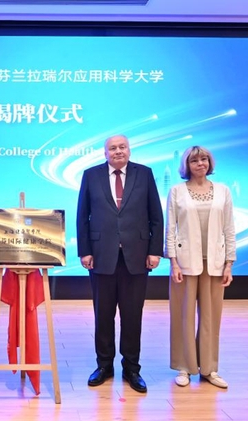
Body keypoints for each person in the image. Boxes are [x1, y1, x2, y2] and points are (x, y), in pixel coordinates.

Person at [77, 135, 164, 393]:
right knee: (103, 315)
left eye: (122, 147)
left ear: (129, 150)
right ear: (105, 153)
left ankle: (132, 368)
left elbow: (156, 216)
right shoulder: (91, 175)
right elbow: (83, 216)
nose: (118, 151)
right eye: (112, 148)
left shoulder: (144, 174)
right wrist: (85, 251)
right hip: (101, 256)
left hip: (136, 256)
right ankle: (104, 365)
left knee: (132, 315)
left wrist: (154, 251)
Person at [165, 145, 235, 389]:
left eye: (204, 159)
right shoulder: (177, 191)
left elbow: (229, 228)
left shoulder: (223, 191)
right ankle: (184, 367)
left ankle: (209, 368)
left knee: (211, 318)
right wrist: (173, 262)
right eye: (194, 160)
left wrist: (229, 263)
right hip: (185, 263)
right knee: (182, 316)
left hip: (215, 263)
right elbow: (170, 229)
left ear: (210, 162)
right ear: (187, 165)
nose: (200, 164)